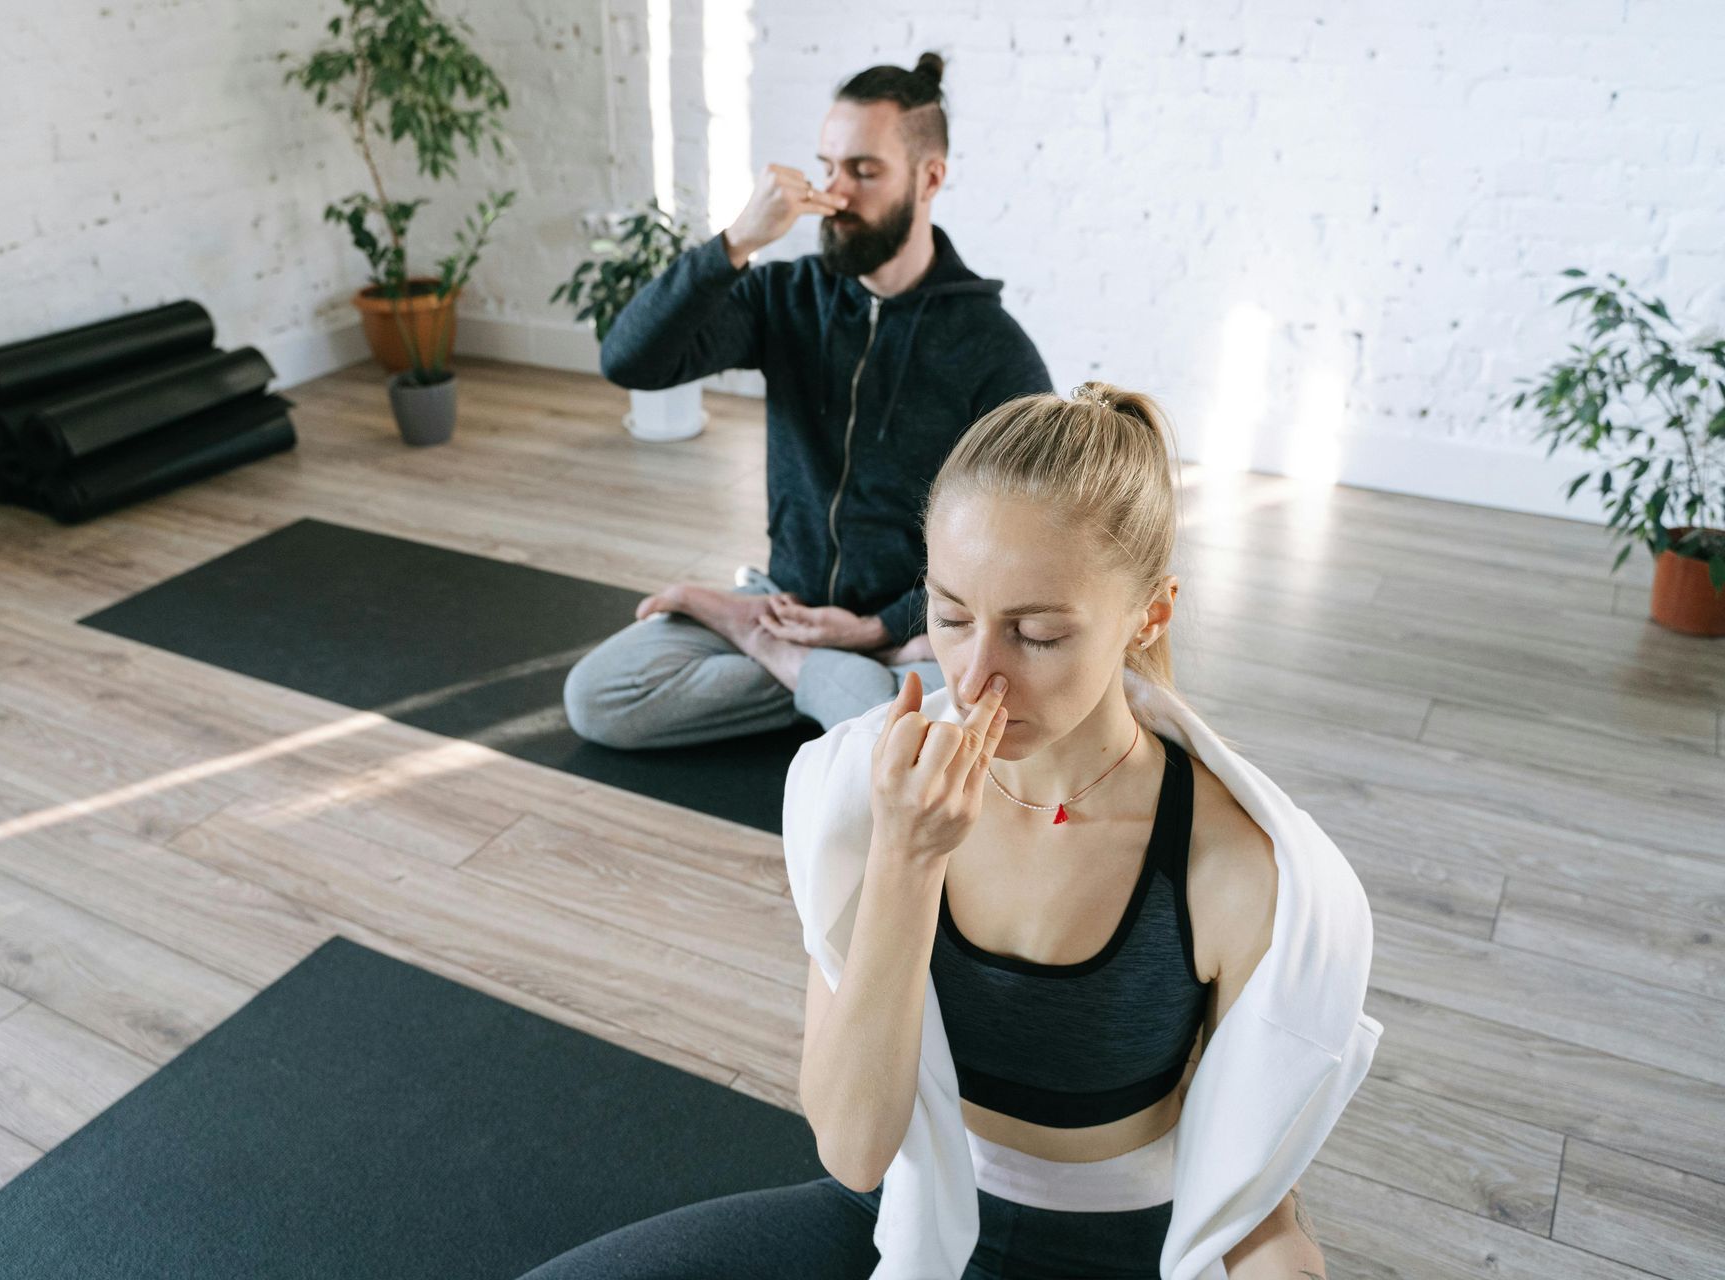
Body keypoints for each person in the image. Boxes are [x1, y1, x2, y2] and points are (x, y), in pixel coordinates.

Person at [519, 384, 1380, 1279]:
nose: (975, 676)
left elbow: (1254, 1187)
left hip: (1115, 1250)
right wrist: (904, 855)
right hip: (899, 1213)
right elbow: (854, 1150)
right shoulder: (861, 794)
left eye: (1038, 634)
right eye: (953, 616)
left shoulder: (1240, 870)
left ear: (1149, 616)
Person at [562, 52, 1052, 750]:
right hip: (784, 604)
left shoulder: (993, 349)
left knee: (965, 709)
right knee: (598, 696)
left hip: (913, 629)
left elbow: (1023, 547)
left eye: (864, 171)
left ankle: (806, 669)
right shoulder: (785, 296)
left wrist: (880, 629)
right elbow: (631, 360)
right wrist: (735, 244)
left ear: (930, 177)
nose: (835, 193)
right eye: (828, 167)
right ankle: (836, 686)